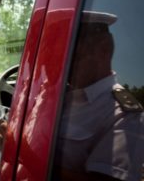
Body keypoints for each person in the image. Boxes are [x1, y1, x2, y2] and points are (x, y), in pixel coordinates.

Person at [53, 11, 144, 181]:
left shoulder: (125, 115)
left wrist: (23, 150)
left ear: (103, 50)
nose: (64, 65)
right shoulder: (58, 95)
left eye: (73, 56)